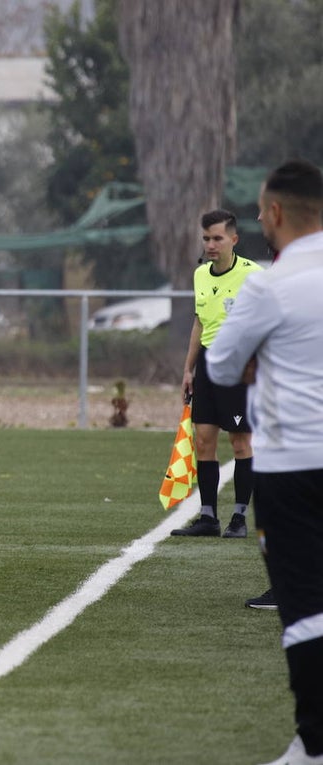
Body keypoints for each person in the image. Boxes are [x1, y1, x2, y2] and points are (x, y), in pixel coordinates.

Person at [207, 159, 323, 765]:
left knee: (305, 605)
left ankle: (313, 744)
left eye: (259, 209)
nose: (256, 218)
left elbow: (222, 366)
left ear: (276, 214)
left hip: (295, 466)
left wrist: (259, 359)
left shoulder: (269, 284)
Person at [172, 209, 262, 538]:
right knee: (204, 440)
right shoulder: (200, 275)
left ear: (233, 240)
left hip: (240, 366)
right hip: (208, 365)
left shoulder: (254, 276)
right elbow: (200, 322)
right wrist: (188, 369)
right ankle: (208, 517)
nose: (211, 244)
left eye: (217, 238)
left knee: (240, 442)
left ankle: (238, 518)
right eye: (207, 238)